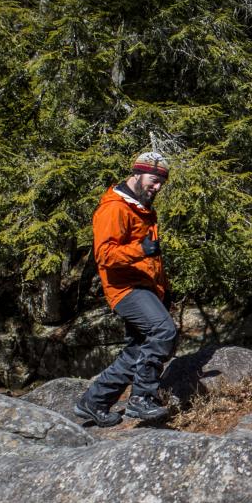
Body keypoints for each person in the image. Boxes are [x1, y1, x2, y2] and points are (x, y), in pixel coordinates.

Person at [74, 152, 176, 427]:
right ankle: (142, 398)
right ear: (137, 174)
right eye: (154, 181)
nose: (156, 188)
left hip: (145, 285)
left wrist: (163, 287)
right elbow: (104, 256)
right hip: (125, 288)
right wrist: (140, 250)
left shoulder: (141, 206)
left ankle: (94, 402)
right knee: (163, 331)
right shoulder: (114, 208)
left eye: (160, 184)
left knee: (138, 348)